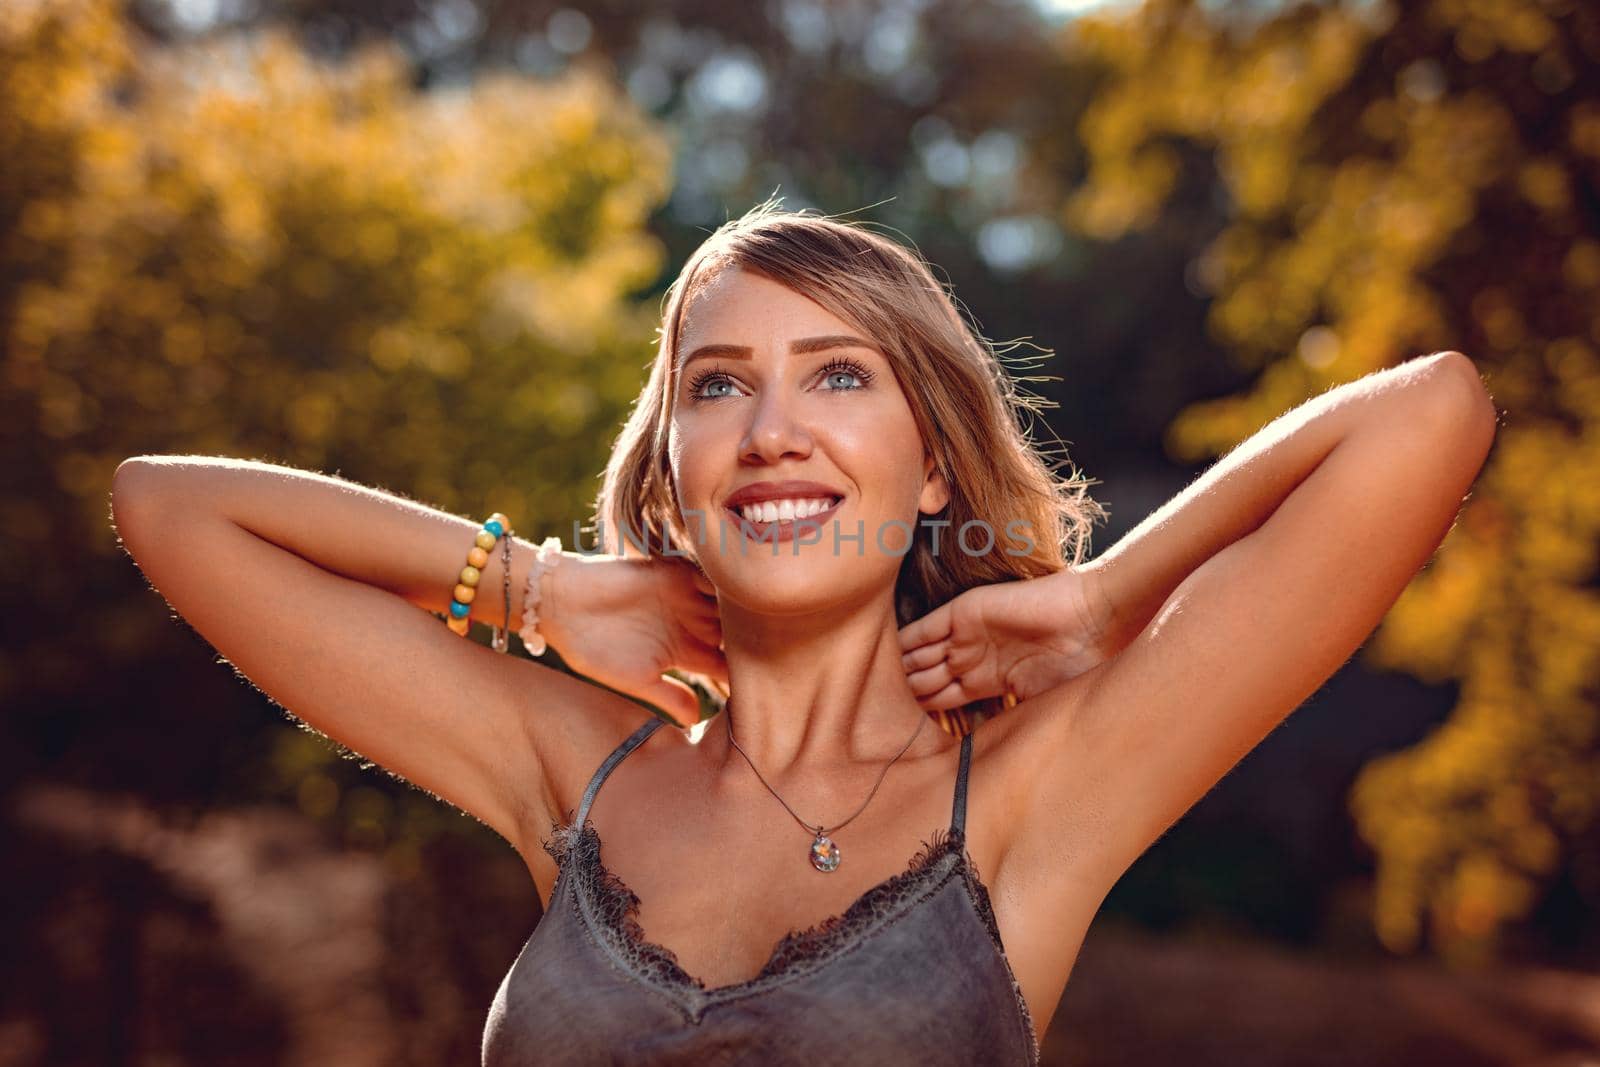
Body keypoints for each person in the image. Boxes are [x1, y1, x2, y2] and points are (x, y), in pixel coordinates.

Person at [109, 199, 1497, 1066]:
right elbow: (169, 511)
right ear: (670, 478)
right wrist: (537, 590)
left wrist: (1101, 599)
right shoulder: (572, 769)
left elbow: (1427, 417)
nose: (772, 434)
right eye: (719, 389)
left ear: (935, 464)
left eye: (838, 375)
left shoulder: (1036, 785)